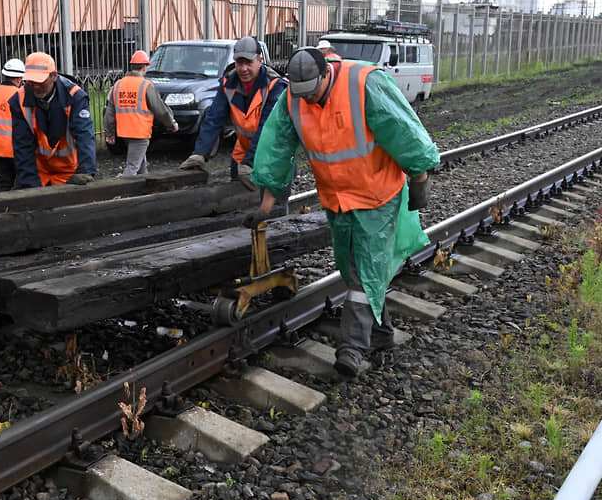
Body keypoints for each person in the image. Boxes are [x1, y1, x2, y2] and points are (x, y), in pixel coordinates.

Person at [246, 48, 439, 377]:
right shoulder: (293, 97)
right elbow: (276, 147)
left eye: (313, 93)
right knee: (354, 270)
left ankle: (352, 347)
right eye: (300, 94)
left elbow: (403, 130)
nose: (307, 100)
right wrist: (266, 205)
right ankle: (381, 334)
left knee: (366, 272)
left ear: (325, 75)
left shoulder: (363, 84)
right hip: (336, 201)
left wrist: (419, 178)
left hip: (377, 196)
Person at [179, 36, 287, 197]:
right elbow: (213, 119)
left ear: (260, 60)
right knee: (237, 203)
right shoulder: (228, 84)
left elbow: (268, 130)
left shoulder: (275, 87)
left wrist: (250, 162)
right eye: (239, 63)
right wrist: (200, 153)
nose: (243, 68)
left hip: (273, 156)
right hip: (243, 153)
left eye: (248, 63)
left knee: (274, 209)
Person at [8, 52, 96, 188]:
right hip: (39, 173)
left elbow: (84, 136)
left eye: (39, 81)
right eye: (31, 81)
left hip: (70, 174)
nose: (35, 86)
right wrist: (30, 184)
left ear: (54, 76)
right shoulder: (19, 100)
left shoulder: (74, 97)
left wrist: (85, 171)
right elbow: (22, 146)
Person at [104, 50, 178, 177]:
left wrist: (110, 133)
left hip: (124, 133)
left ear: (131, 66)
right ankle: (121, 191)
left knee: (141, 166)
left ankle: (145, 190)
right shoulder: (146, 85)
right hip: (140, 133)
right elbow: (160, 109)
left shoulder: (118, 85)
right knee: (132, 167)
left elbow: (110, 112)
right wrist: (172, 124)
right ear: (144, 67)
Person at [0, 58, 26, 191]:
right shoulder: (20, 94)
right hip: (14, 147)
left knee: (4, 182)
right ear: (19, 79)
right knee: (21, 182)